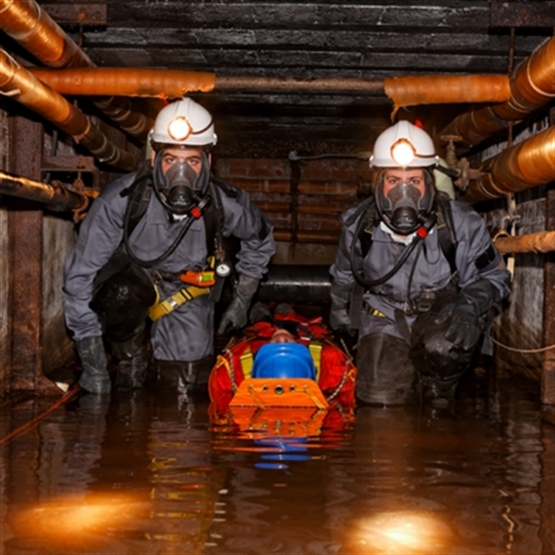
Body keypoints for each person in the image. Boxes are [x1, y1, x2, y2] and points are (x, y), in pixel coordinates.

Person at [63, 98, 276, 395]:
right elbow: (79, 276)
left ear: (207, 164)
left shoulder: (225, 204)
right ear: (155, 160)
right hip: (134, 283)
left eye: (192, 161)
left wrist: (242, 302)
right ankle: (129, 356)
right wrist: (93, 362)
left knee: (183, 389)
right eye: (171, 160)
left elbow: (261, 240)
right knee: (120, 295)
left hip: (188, 289)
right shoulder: (121, 201)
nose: (181, 172)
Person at [329, 120, 511, 407]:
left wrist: (469, 306)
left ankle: (439, 394)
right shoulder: (358, 224)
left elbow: (495, 277)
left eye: (413, 181)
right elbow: (343, 273)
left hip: (440, 315)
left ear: (428, 183)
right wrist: (339, 314)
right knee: (378, 404)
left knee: (442, 354)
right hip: (385, 316)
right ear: (379, 184)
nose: (404, 192)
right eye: (394, 181)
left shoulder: (460, 223)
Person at [208, 302, 357, 415]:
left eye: (275, 345)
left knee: (260, 324)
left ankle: (262, 316)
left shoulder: (235, 367)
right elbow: (347, 400)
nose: (281, 340)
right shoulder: (330, 362)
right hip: (301, 338)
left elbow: (220, 402)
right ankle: (284, 314)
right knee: (289, 323)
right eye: (288, 344)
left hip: (259, 337)